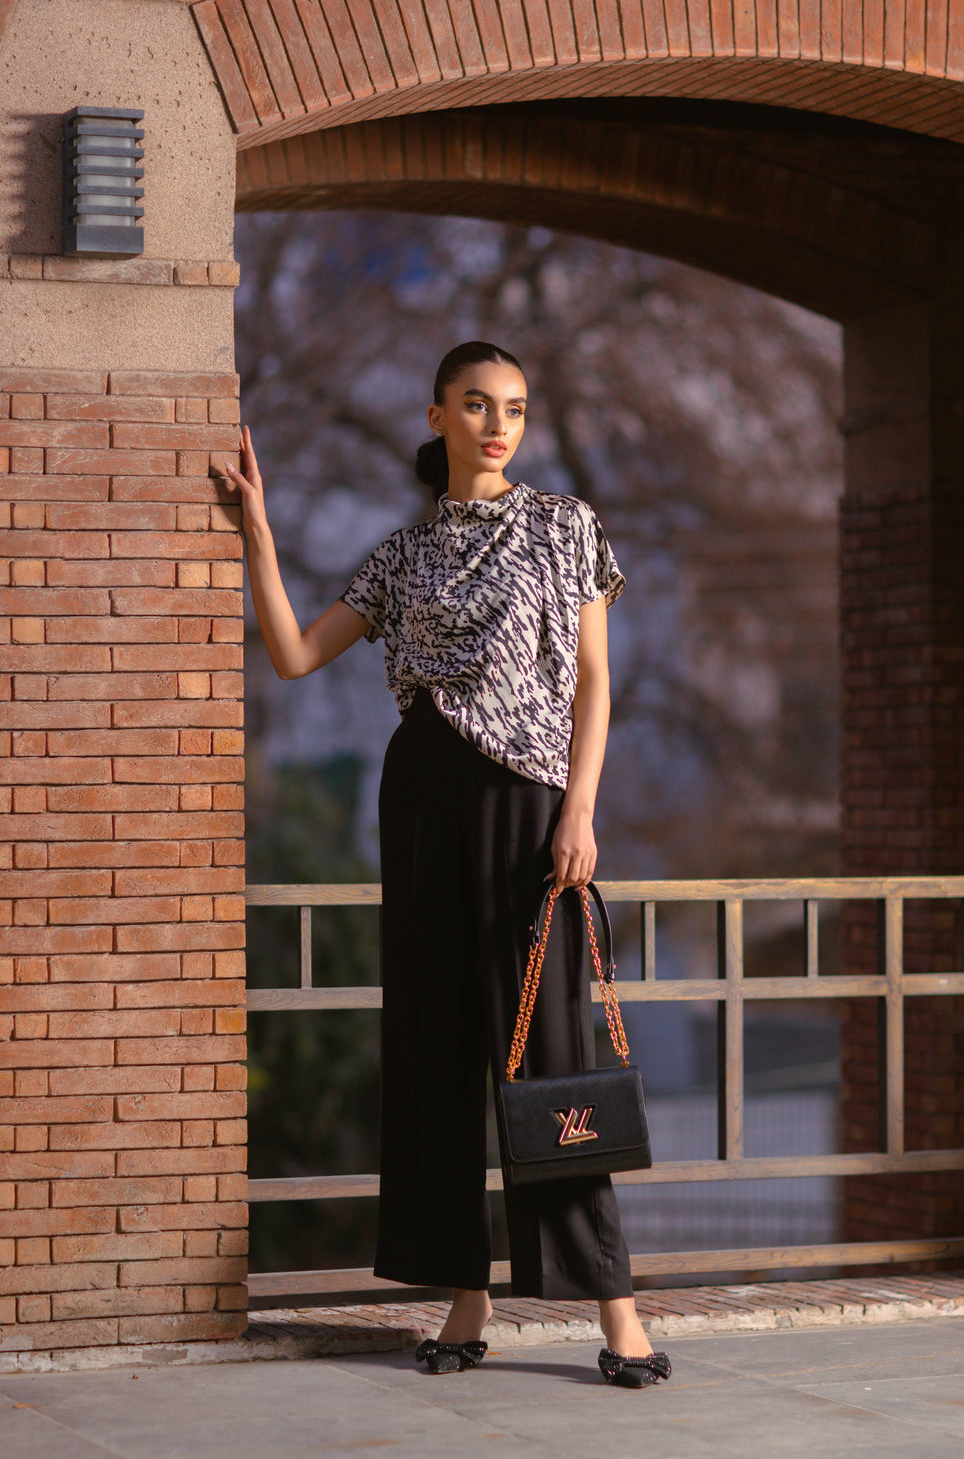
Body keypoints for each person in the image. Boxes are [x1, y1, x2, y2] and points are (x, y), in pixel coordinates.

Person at [223, 340, 670, 1389]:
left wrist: (580, 808)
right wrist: (255, 532)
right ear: (436, 417)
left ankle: (616, 1307)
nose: (496, 421)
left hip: (532, 810)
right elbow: (291, 653)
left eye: (512, 405)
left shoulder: (565, 527)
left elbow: (595, 682)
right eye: (475, 404)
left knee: (552, 1049)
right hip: (421, 798)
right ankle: (463, 1296)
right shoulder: (401, 552)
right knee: (433, 1046)